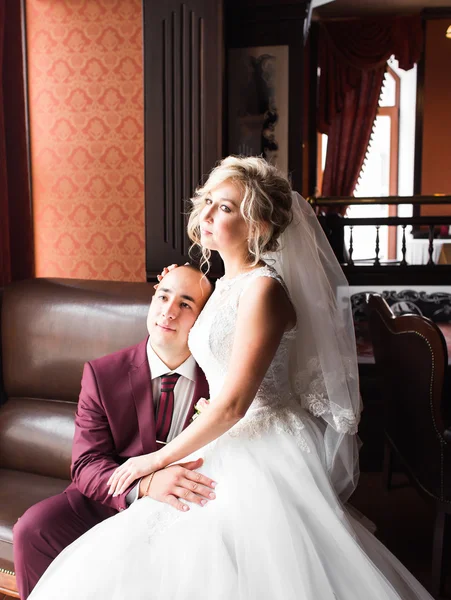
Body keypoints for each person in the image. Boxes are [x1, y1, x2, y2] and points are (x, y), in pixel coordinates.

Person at [28, 156, 433, 600]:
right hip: (226, 438)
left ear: (257, 223)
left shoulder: (264, 290)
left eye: (224, 207)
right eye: (207, 202)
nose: (205, 214)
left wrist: (152, 461)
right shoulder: (223, 284)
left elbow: (235, 404)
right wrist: (175, 288)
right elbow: (208, 345)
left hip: (260, 443)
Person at [14, 264, 214, 599]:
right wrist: (146, 484)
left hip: (188, 504)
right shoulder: (102, 373)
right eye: (164, 297)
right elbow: (86, 465)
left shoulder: (220, 380)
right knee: (33, 529)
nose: (168, 311)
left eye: (185, 304)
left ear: (204, 318)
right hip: (114, 498)